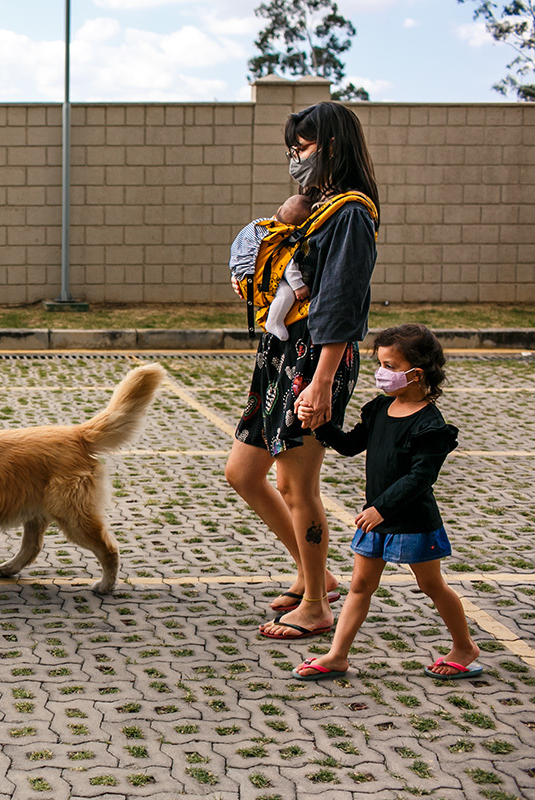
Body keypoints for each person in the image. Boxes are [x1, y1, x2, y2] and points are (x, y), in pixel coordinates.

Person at [223, 101, 380, 639]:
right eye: (292, 148)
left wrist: (321, 382)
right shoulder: (318, 207)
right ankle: (319, 576)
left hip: (317, 355)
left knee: (295, 484)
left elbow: (341, 303)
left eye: (304, 146)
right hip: (282, 349)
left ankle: (316, 603)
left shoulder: (351, 214)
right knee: (243, 473)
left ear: (331, 146)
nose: (296, 157)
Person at [292, 324, 479, 680]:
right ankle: (336, 656)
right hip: (375, 519)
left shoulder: (430, 426)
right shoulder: (379, 408)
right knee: (360, 586)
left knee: (431, 585)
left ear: (416, 374)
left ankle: (464, 646)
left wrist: (381, 509)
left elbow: (420, 478)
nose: (381, 373)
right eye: (380, 364)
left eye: (390, 366)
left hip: (412, 521)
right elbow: (350, 445)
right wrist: (318, 424)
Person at [229, 194, 315, 341]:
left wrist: (238, 272)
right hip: (261, 280)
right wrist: (299, 287)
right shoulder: (283, 237)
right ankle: (274, 321)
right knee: (286, 294)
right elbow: (287, 265)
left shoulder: (259, 226)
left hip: (244, 274)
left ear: (279, 209)